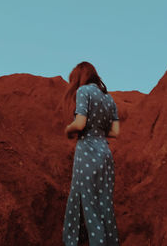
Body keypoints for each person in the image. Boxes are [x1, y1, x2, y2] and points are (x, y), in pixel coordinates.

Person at [62, 61, 120, 246]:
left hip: (87, 152)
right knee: (104, 202)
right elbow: (115, 132)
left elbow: (80, 124)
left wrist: (68, 129)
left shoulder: (83, 92)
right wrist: (98, 131)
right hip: (105, 154)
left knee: (87, 202)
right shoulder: (109, 98)